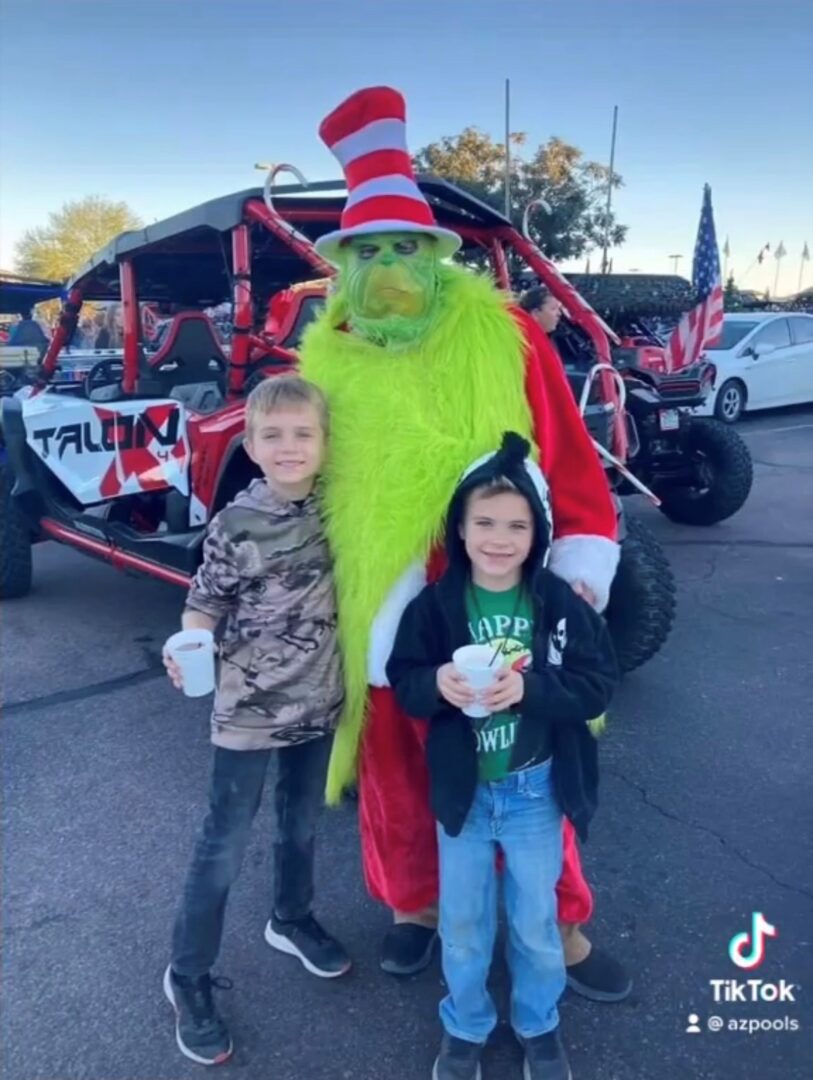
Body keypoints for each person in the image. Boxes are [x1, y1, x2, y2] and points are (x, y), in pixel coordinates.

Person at [299, 85, 631, 1002]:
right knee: (400, 767)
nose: (389, 265)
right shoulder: (326, 359)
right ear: (345, 266)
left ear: (439, 259)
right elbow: (299, 479)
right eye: (370, 250)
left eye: (406, 246)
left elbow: (566, 454)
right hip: (387, 602)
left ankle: (561, 926)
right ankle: (416, 908)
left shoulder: (506, 335)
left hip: (501, 584)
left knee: (528, 761)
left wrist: (582, 558)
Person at [387, 433, 618, 1080]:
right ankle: (464, 1026)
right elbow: (401, 674)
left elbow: (598, 680)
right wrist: (435, 684)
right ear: (458, 529)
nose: (498, 537)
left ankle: (538, 1025)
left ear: (537, 532)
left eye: (516, 525)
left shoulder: (558, 604)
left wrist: (533, 689)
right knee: (462, 923)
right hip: (464, 793)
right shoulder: (434, 606)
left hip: (533, 792)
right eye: (483, 522)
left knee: (535, 921)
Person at [162, 375, 350, 1066]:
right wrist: (188, 644)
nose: (289, 446)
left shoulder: (344, 506)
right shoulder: (236, 522)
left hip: (321, 698)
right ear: (250, 443)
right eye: (273, 435)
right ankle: (186, 975)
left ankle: (291, 918)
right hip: (246, 708)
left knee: (301, 823)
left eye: (304, 433)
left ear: (327, 443)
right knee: (224, 844)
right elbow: (202, 602)